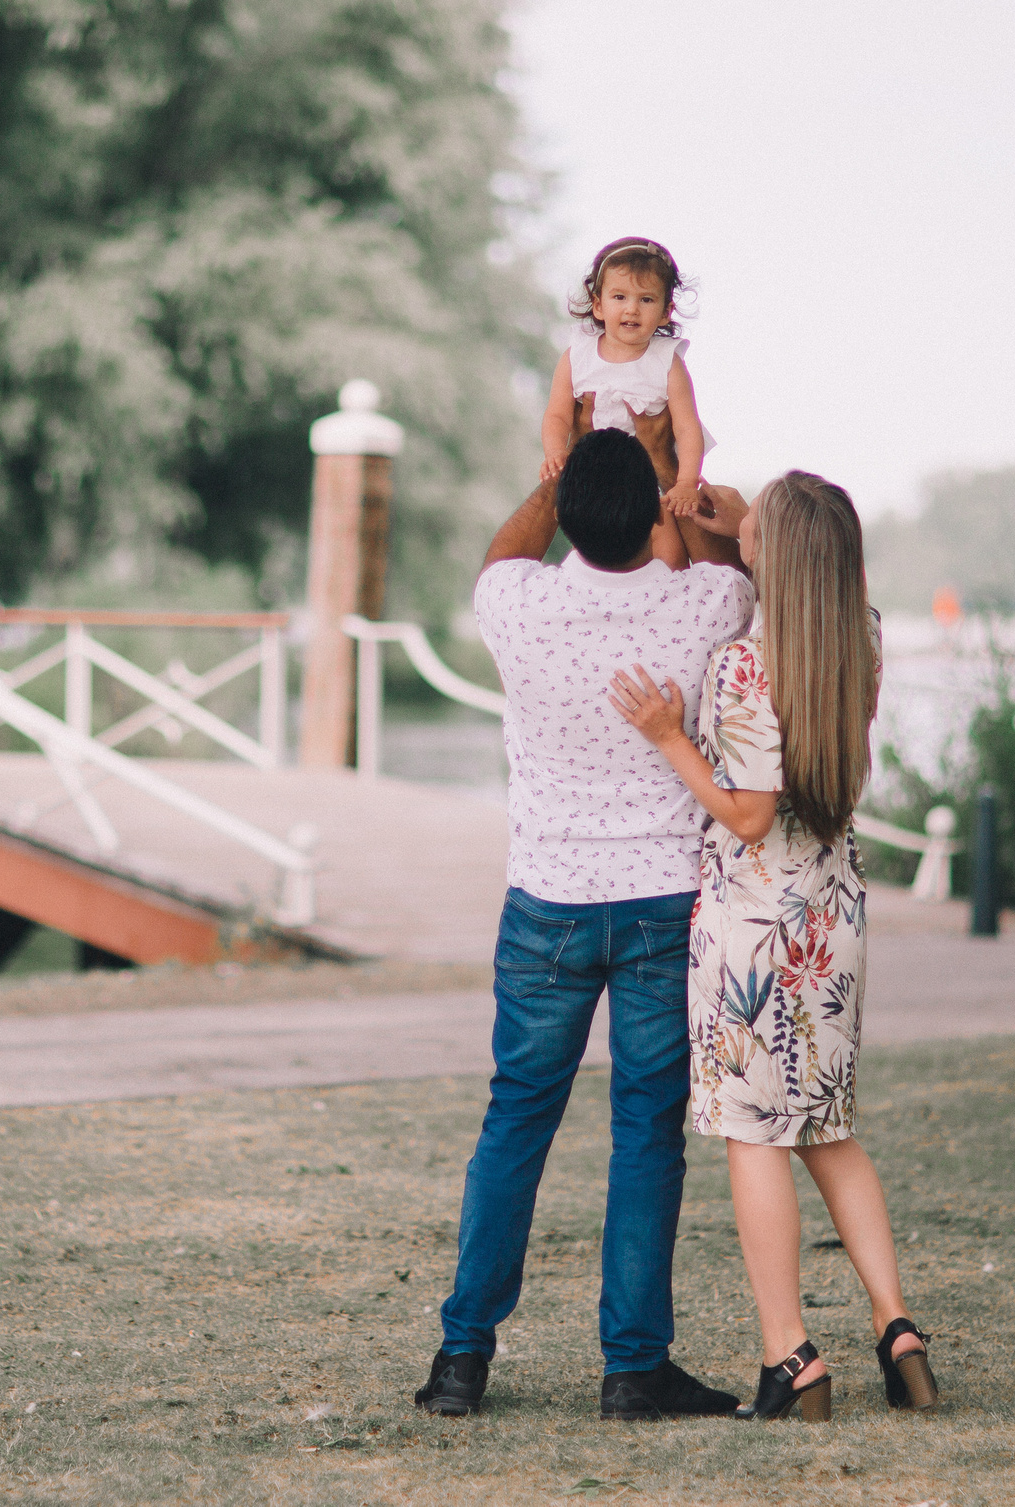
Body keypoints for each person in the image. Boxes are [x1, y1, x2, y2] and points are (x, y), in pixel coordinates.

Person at [412, 428, 753, 1422]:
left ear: (563, 512)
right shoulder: (708, 604)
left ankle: (461, 1361)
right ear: (652, 512)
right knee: (645, 1136)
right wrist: (681, 481)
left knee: (515, 1124)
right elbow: (727, 547)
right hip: (660, 902)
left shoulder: (516, 603)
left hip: (547, 902)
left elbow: (501, 553)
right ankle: (632, 1368)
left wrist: (556, 474)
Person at [605, 471, 939, 1423]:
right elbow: (796, 562)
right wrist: (746, 517)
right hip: (833, 918)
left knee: (756, 1138)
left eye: (760, 532)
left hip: (754, 930)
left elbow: (747, 813)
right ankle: (897, 1327)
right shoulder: (857, 637)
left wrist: (672, 736)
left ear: (774, 560)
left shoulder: (745, 666)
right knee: (830, 1129)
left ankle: (789, 1354)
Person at [538, 238, 714, 571]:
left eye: (646, 299)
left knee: (671, 556)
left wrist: (687, 482)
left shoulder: (666, 362)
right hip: (594, 478)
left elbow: (687, 427)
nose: (631, 309)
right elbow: (558, 414)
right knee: (591, 551)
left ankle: (666, 598)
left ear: (665, 312)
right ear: (599, 305)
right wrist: (554, 452)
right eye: (619, 297)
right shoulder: (578, 356)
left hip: (648, 479)